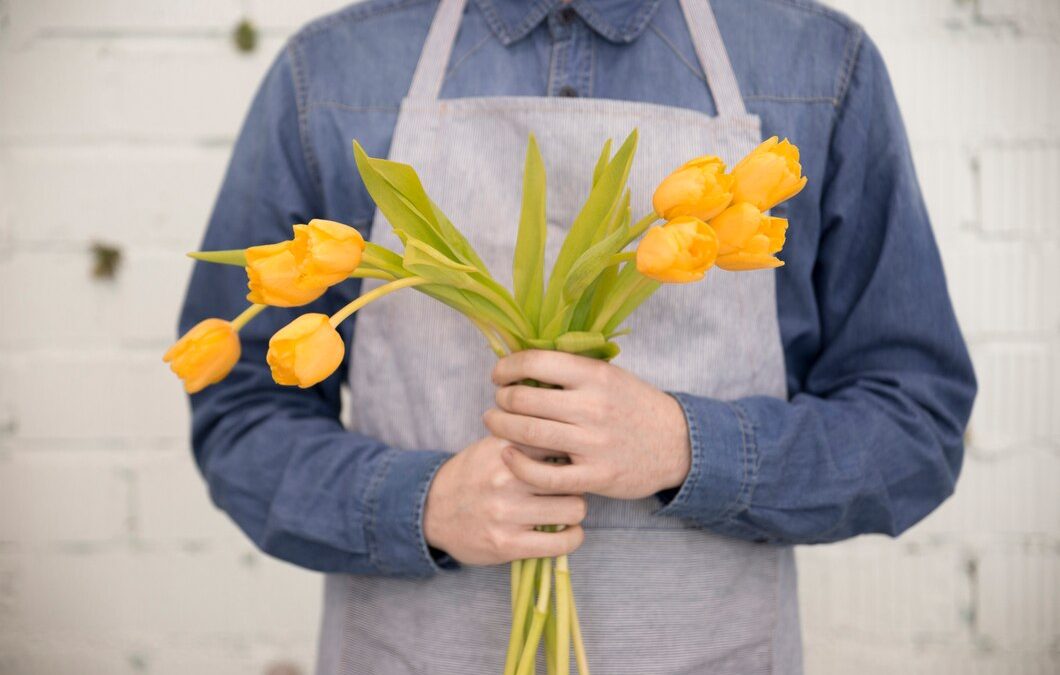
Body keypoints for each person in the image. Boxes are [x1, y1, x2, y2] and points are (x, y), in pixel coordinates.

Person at [177, 0, 976, 672]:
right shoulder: (333, 73)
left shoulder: (817, 65)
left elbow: (917, 425)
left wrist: (687, 446)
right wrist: (418, 505)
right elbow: (238, 417)